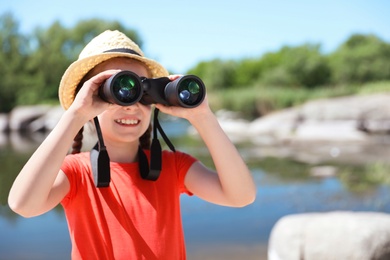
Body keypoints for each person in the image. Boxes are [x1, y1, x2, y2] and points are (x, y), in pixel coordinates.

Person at [8, 30, 256, 259]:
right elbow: (23, 205)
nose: (131, 105)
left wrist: (202, 117)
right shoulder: (76, 172)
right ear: (91, 99)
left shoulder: (174, 166)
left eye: (142, 93)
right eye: (119, 90)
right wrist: (75, 116)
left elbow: (241, 196)